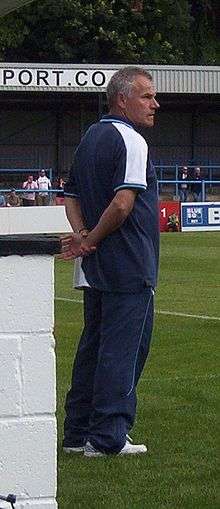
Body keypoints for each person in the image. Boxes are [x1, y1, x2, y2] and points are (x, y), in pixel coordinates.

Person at [61, 66, 160, 457]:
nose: (156, 104)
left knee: (93, 348)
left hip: (96, 266)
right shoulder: (132, 141)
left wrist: (83, 237)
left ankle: (76, 433)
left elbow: (69, 195)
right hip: (129, 263)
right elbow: (123, 203)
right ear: (122, 99)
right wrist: (93, 239)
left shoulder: (90, 137)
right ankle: (107, 438)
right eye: (147, 96)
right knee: (124, 350)